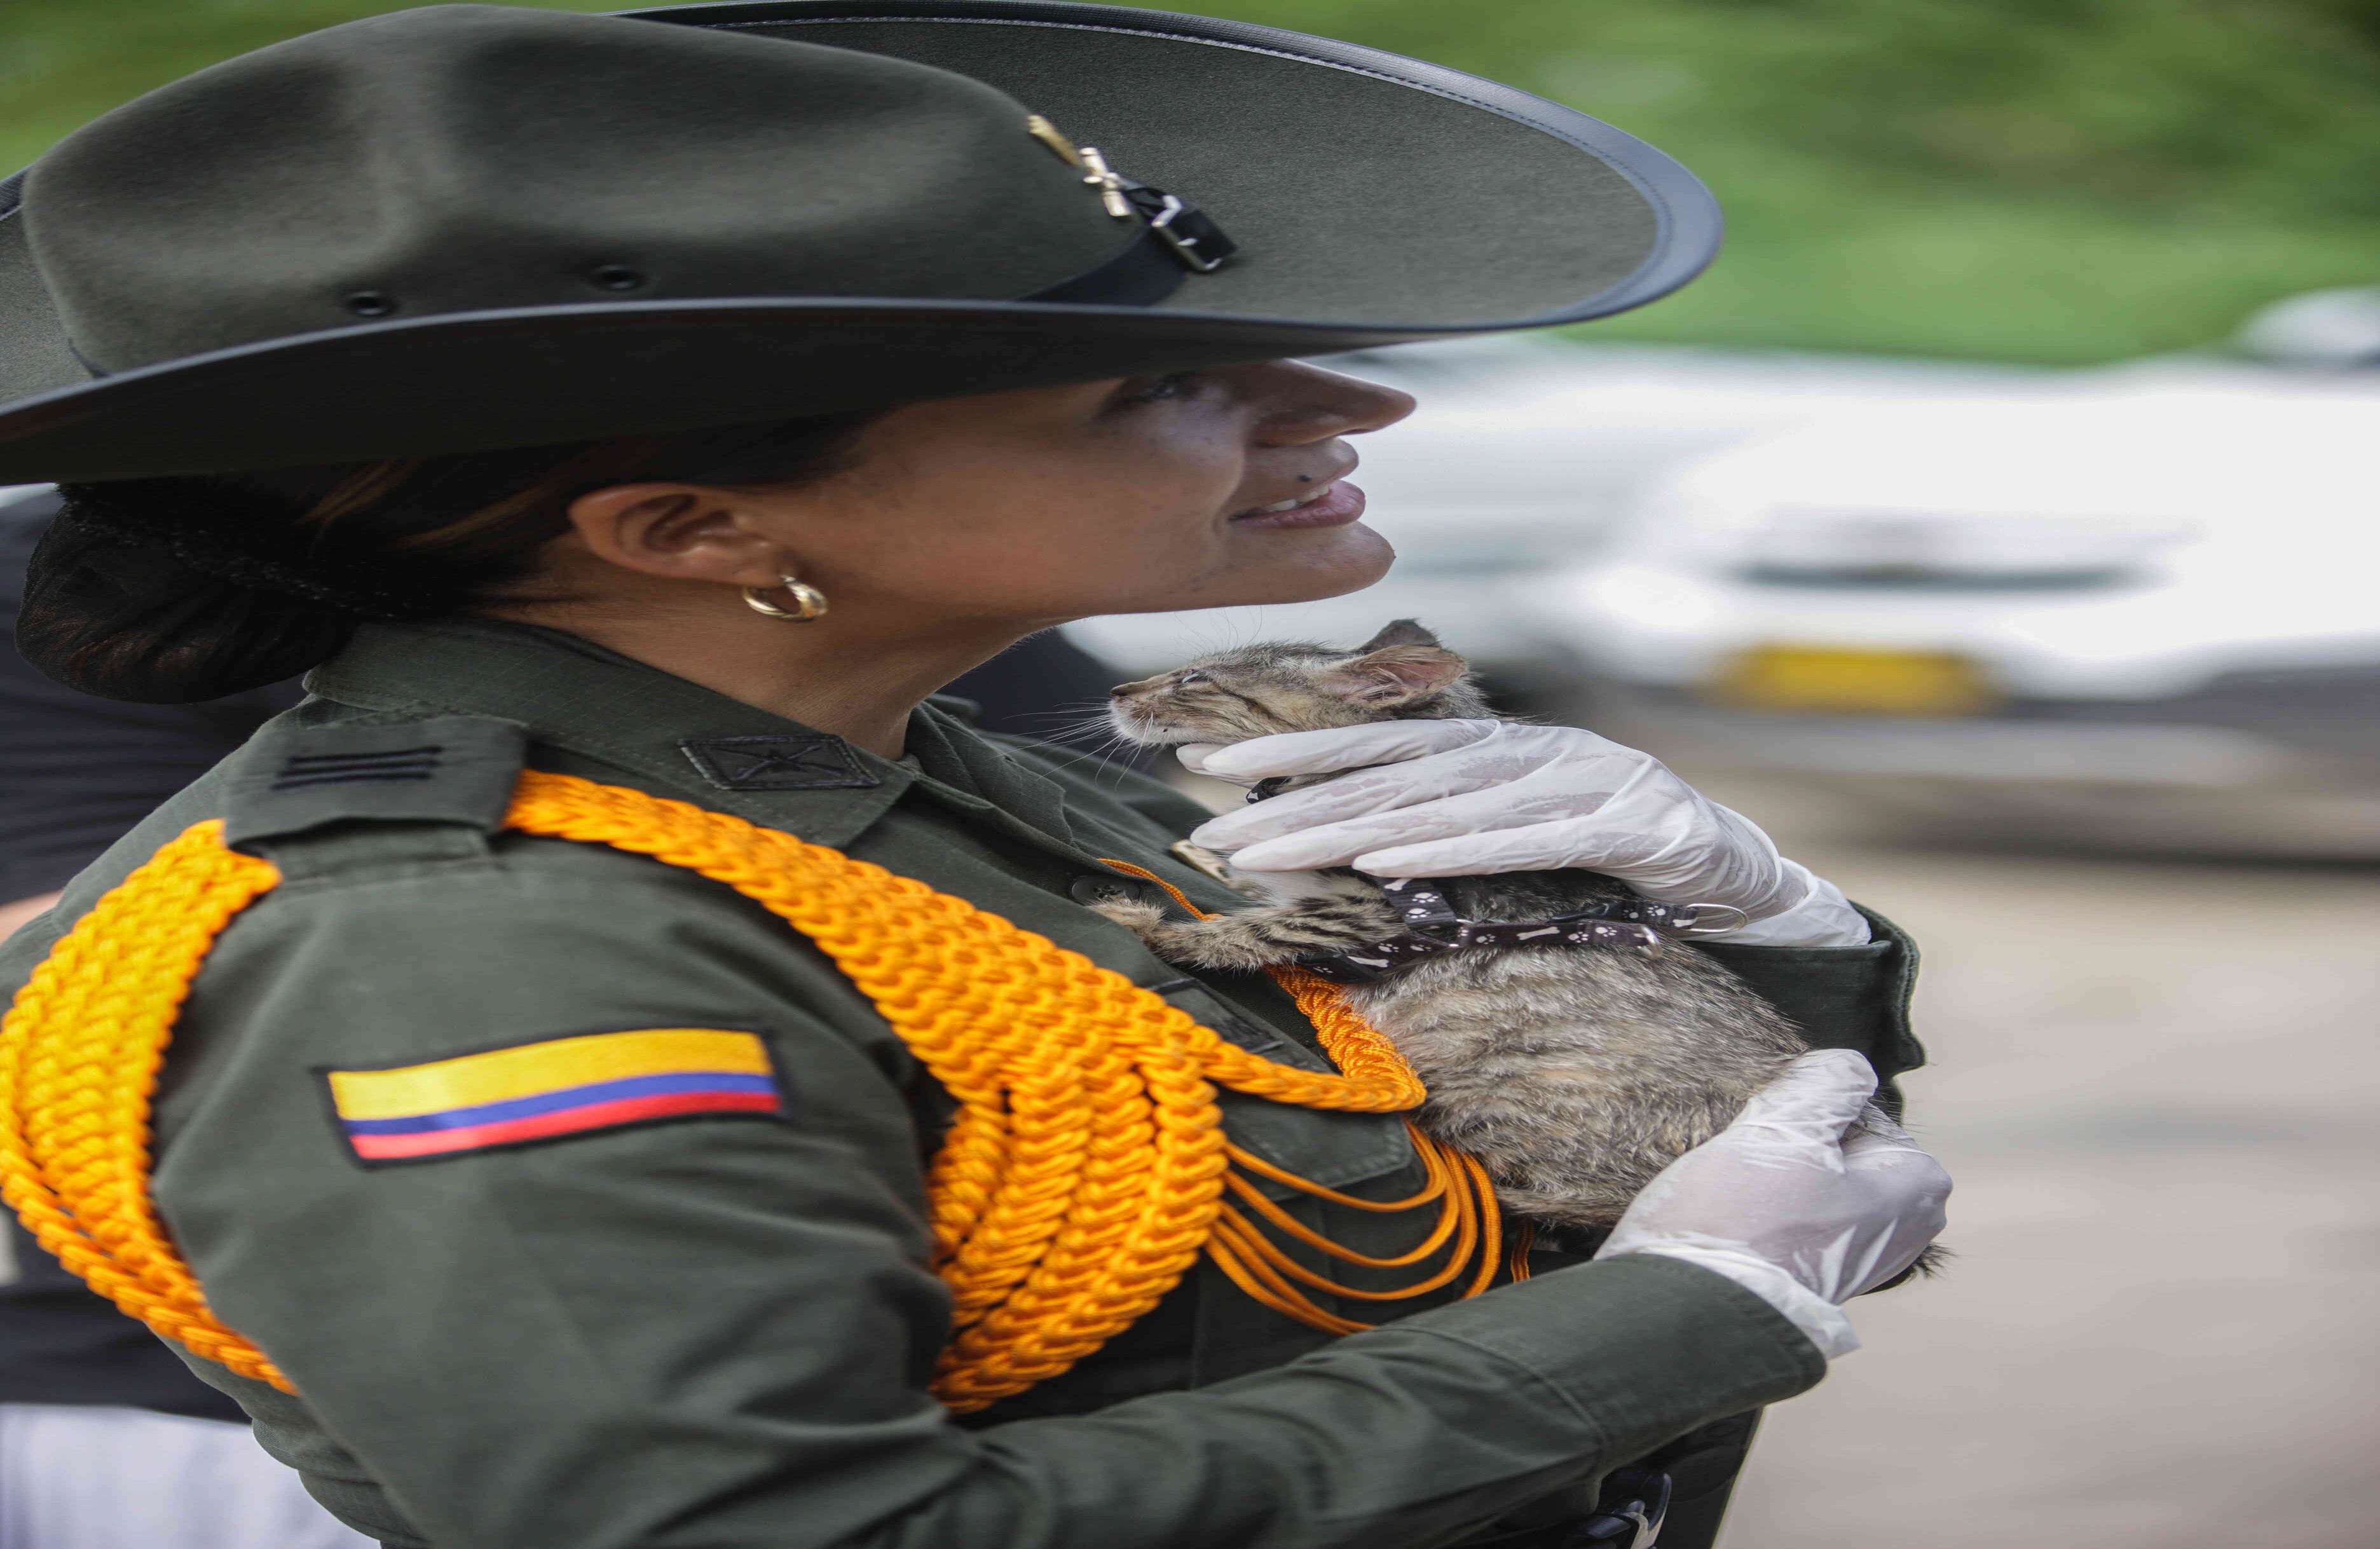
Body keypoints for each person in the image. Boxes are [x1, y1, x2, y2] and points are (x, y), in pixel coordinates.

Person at [0, 7, 1950, 1548]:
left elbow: (1512, 1138)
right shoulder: (467, 949)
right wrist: (1687, 1314)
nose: (1356, 405)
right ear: (693, 524)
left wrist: (1766, 930)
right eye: (1158, 383)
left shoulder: (930, 784)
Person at [0, 481, 1135, 1549]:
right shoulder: (127, 571)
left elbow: (1082, 874)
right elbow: (156, 959)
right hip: (237, 1404)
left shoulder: (918, 576)